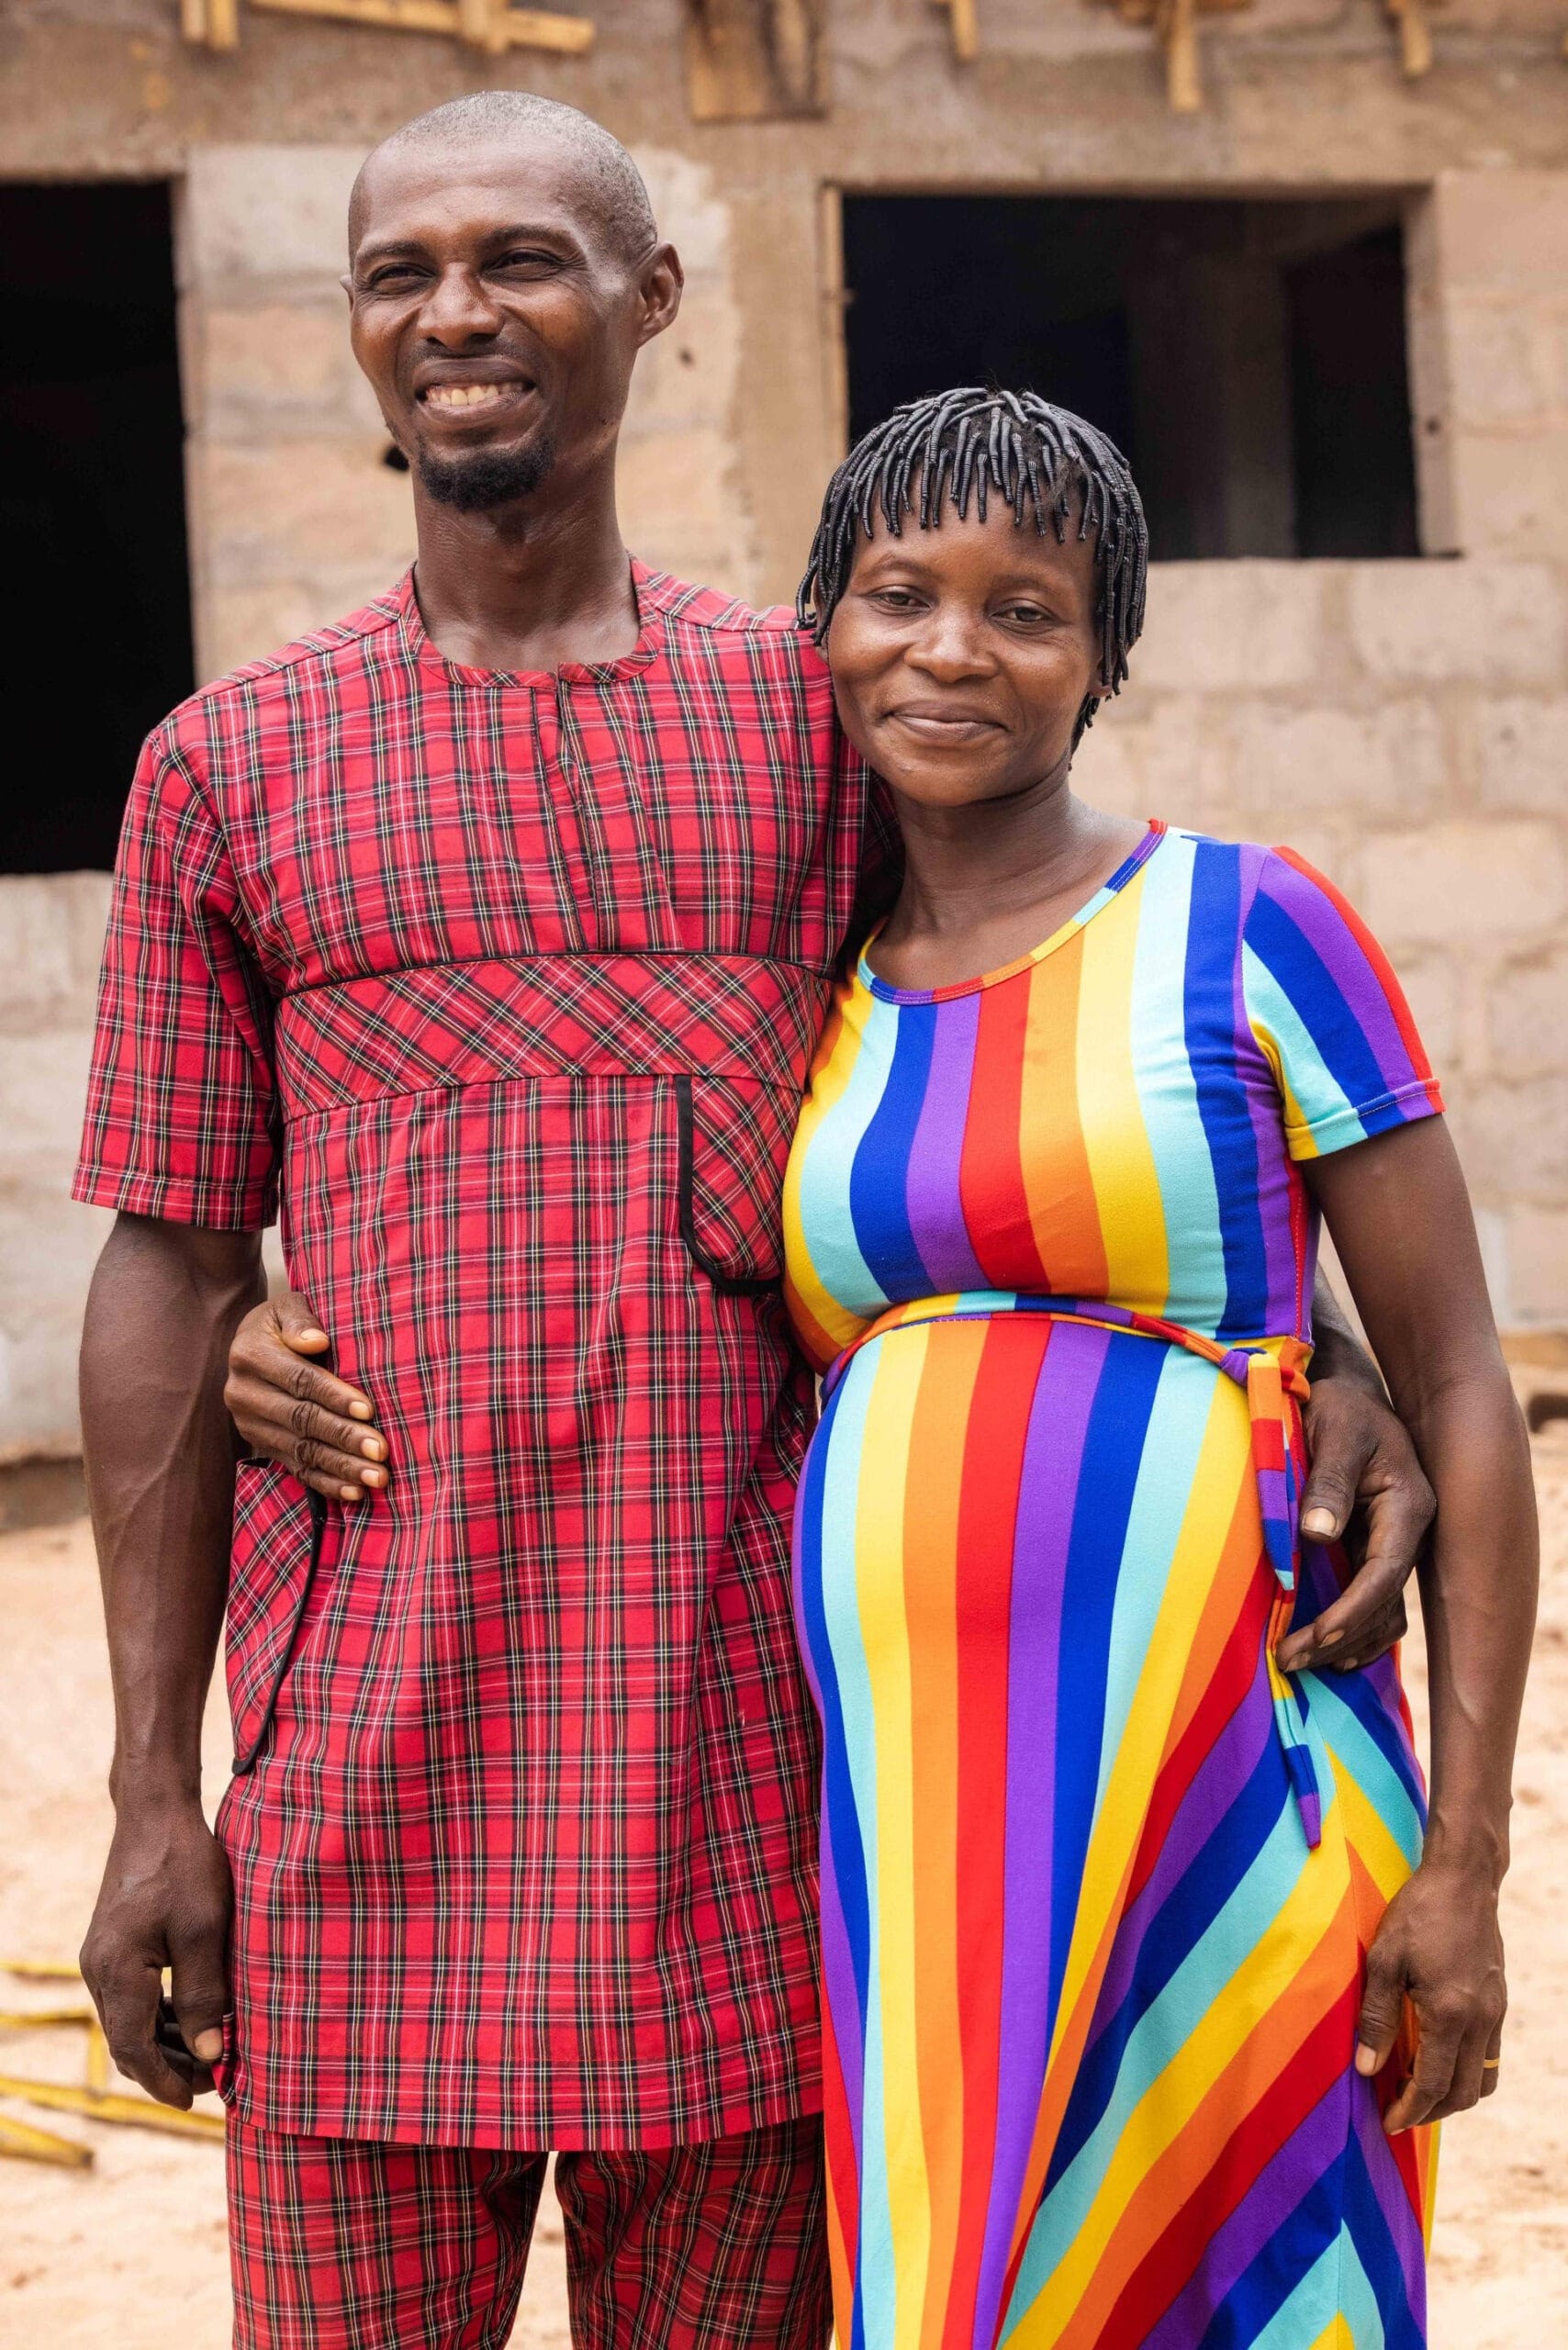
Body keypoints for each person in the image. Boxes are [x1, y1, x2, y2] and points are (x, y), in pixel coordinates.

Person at [76, 90, 1430, 2350]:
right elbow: (164, 1261)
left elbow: (1054, 1046)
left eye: (521, 256)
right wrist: (148, 1797)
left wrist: (1323, 1339)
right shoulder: (229, 762)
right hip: (362, 1778)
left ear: (651, 299)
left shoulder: (805, 717)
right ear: (353, 327)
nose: (457, 313)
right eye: (400, 272)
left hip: (755, 1783)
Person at [777, 391, 1534, 2348]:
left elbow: (1457, 1384)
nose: (951, 648)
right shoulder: (807, 986)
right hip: (923, 1855)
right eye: (897, 593)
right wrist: (266, 1318)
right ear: (820, 622)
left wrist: (1463, 1865)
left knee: (1255, 2280)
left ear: (1103, 654)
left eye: (1024, 607)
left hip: (1238, 1797)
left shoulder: (1243, 922)